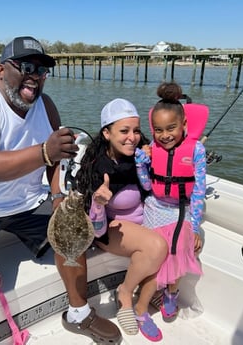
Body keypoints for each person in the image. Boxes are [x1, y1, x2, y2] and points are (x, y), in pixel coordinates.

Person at [0, 36, 121, 345]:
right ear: (1, 70)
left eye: (43, 69)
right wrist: (45, 151)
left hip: (25, 203)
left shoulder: (45, 106)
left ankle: (79, 314)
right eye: (27, 66)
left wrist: (58, 194)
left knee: (73, 240)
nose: (35, 75)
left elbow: (54, 158)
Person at [73, 98, 168, 342]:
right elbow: (96, 229)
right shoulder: (99, 168)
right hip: (110, 229)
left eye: (136, 131)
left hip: (144, 222)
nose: (132, 137)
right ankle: (125, 294)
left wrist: (157, 159)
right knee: (157, 245)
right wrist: (98, 203)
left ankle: (149, 290)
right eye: (123, 131)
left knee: (175, 241)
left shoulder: (141, 155)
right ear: (106, 133)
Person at [135, 82, 206, 322]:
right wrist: (141, 163)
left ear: (184, 125)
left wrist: (194, 227)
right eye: (158, 130)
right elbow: (147, 186)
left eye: (171, 128)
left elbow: (198, 190)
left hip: (182, 211)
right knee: (153, 256)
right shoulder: (152, 149)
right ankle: (143, 299)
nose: (165, 135)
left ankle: (171, 293)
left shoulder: (196, 150)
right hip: (155, 208)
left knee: (176, 256)